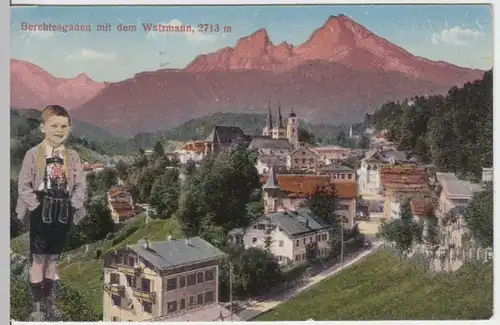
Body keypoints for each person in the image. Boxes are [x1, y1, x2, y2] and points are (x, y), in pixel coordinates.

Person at [16, 105, 87, 320]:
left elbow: (80, 185)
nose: (59, 130)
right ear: (42, 127)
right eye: (54, 125)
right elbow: (24, 185)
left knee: (53, 259)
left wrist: (74, 205)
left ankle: (49, 303)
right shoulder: (33, 154)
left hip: (63, 210)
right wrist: (35, 206)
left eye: (63, 126)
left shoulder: (72, 156)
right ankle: (37, 306)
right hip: (42, 209)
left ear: (70, 128)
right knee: (38, 258)